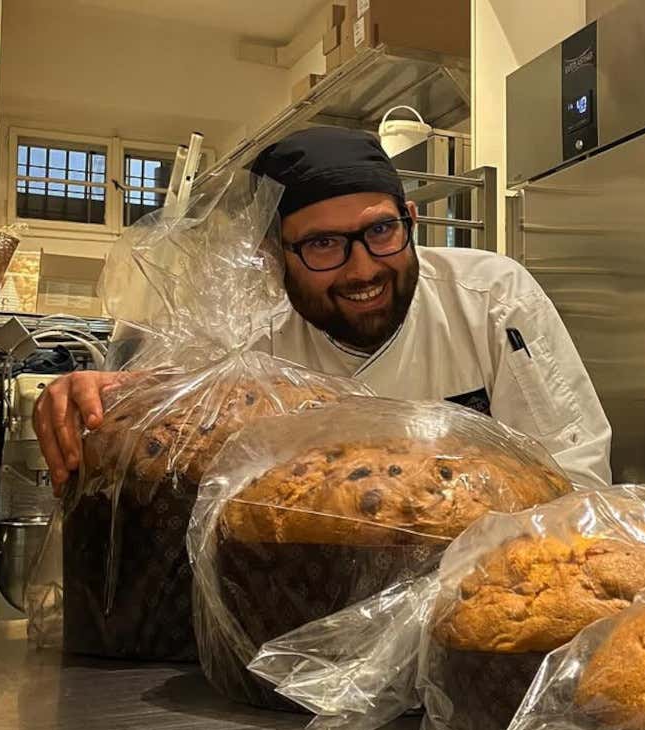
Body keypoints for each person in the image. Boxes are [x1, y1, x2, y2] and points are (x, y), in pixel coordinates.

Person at [33, 126, 612, 491]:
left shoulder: (490, 298)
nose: (362, 270)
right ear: (273, 257)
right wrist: (97, 403)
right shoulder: (247, 339)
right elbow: (169, 437)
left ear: (411, 221)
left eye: (381, 231)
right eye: (323, 244)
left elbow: (576, 471)